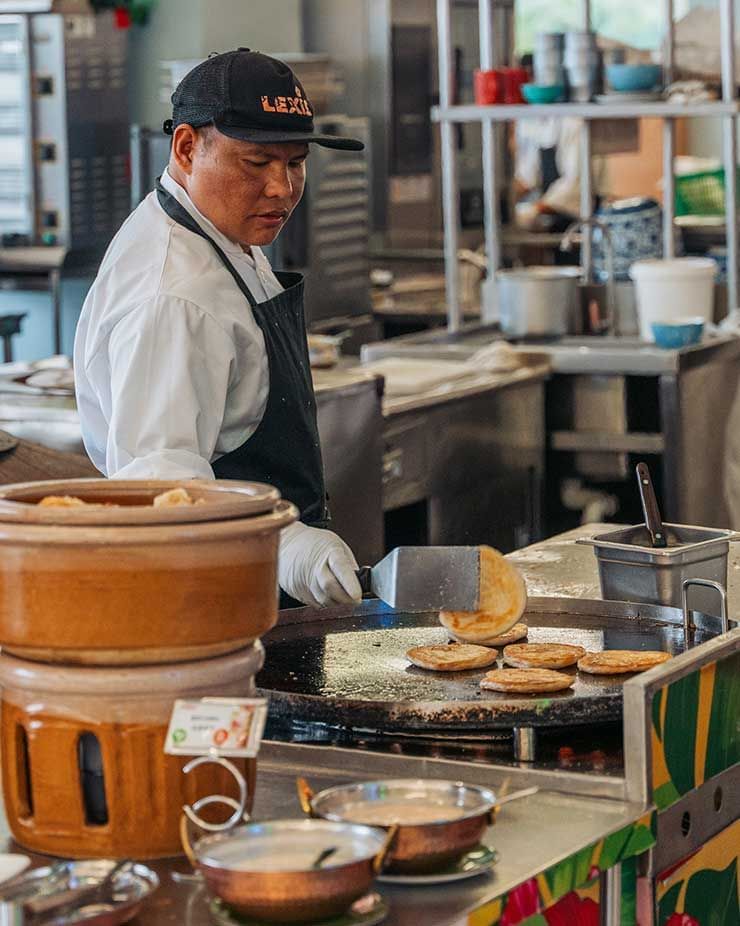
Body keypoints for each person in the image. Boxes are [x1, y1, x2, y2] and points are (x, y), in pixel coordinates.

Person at [74, 48, 364, 609]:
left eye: (296, 162)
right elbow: (156, 486)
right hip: (213, 599)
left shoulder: (219, 229)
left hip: (252, 585)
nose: (281, 188)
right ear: (187, 148)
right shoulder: (174, 297)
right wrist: (283, 544)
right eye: (257, 163)